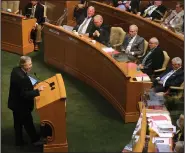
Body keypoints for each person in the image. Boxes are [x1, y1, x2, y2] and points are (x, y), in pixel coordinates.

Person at [8, 56, 45, 146]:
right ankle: (35, 140)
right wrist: (37, 90)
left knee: (18, 123)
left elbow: (21, 87)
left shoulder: (15, 70)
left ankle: (19, 141)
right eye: (28, 65)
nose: (30, 66)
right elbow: (24, 94)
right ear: (22, 65)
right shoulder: (23, 78)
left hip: (14, 103)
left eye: (31, 64)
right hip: (22, 106)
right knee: (28, 123)